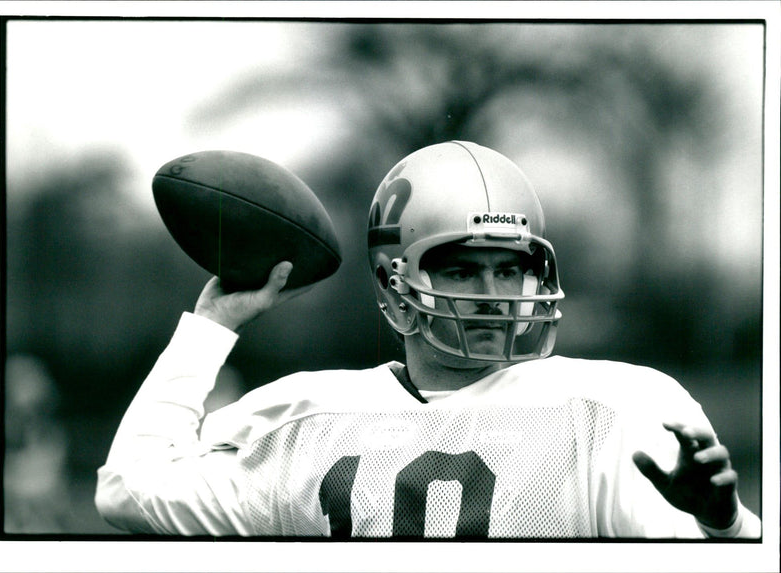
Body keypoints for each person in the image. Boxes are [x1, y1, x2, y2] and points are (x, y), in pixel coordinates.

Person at [95, 141, 760, 538]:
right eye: (465, 269)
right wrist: (214, 323)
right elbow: (128, 489)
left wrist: (725, 524)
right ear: (392, 288)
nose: (496, 292)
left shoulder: (614, 410)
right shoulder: (303, 419)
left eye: (512, 267)